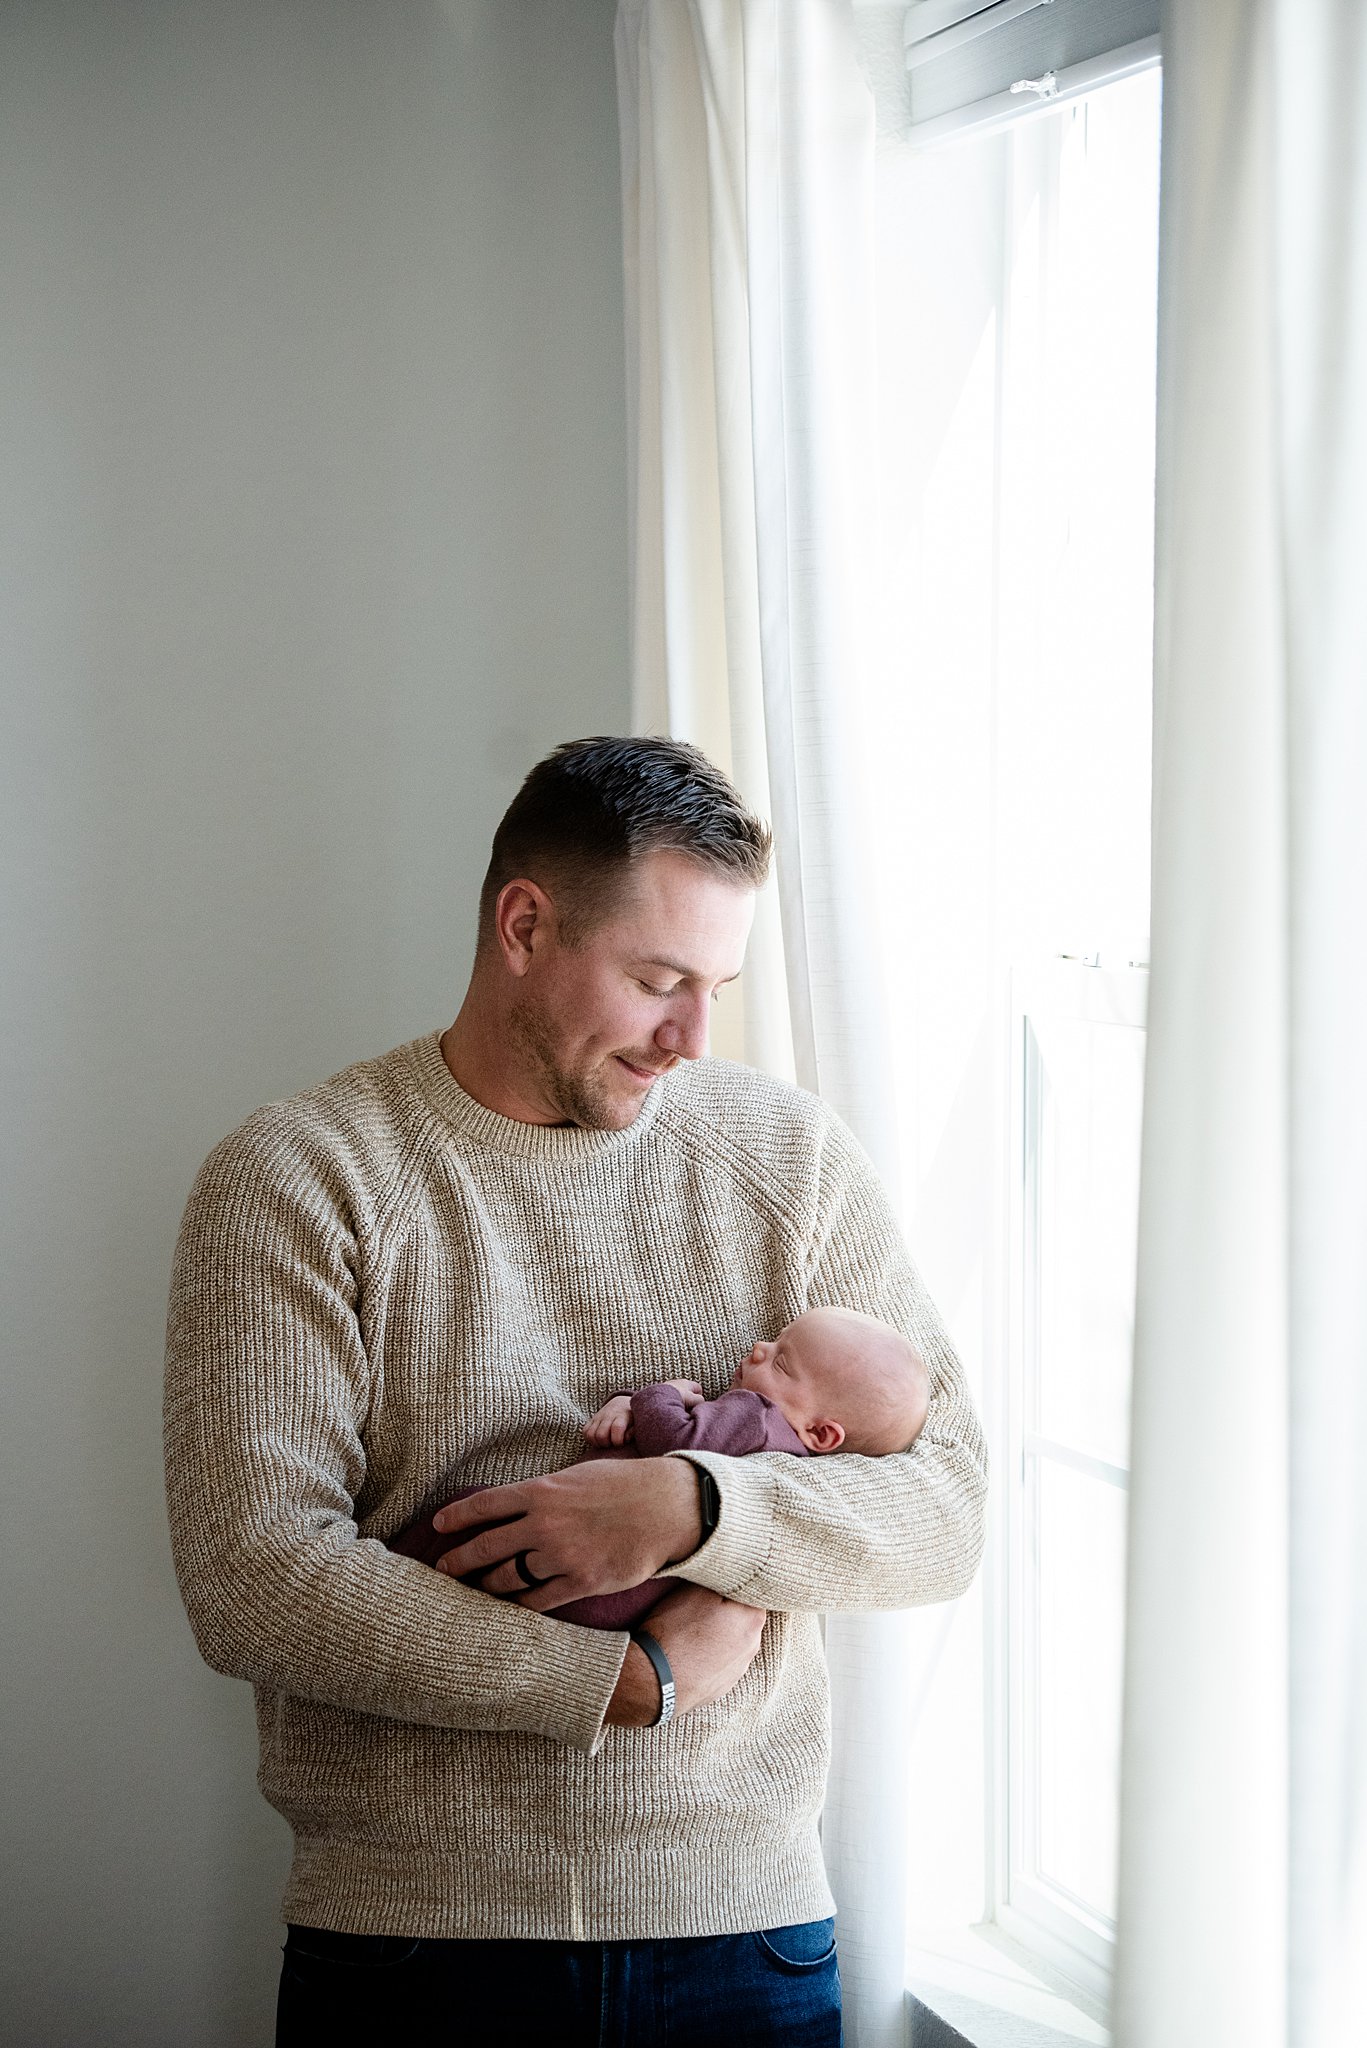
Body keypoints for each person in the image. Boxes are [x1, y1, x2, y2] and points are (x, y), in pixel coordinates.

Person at [163, 735, 987, 2048]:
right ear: (525, 925)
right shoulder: (299, 1176)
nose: (689, 1038)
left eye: (714, 986)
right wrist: (617, 1681)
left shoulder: (785, 1157)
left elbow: (946, 1506)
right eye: (656, 980)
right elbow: (252, 1575)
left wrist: (688, 1506)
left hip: (744, 1937)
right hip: (416, 1949)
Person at [386, 1305, 931, 1631]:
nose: (761, 1348)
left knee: (458, 1522)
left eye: (783, 1361)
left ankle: (393, 1563)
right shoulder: (789, 1461)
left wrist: (656, 1396)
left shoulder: (756, 1417)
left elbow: (675, 1437)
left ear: (821, 1433)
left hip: (593, 1576)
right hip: (634, 1606)